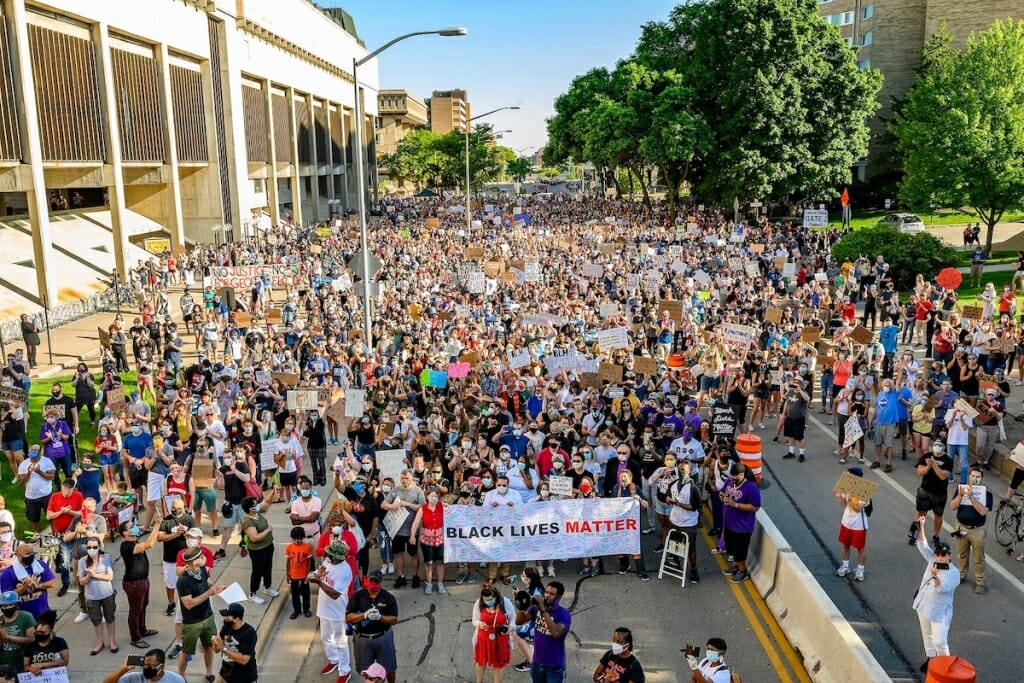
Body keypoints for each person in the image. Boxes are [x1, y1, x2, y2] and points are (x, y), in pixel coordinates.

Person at [912, 522, 959, 674]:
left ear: (949, 555)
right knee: (927, 635)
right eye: (938, 554)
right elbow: (922, 545)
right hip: (923, 605)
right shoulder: (933, 560)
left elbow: (942, 589)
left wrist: (934, 576)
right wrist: (921, 527)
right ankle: (931, 659)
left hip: (940, 612)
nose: (939, 557)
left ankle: (945, 667)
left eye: (943, 555)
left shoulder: (954, 573)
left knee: (940, 641)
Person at [176, 545, 226, 681]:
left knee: (209, 647)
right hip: (192, 623)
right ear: (194, 562)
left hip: (208, 617)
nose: (204, 558)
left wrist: (215, 587)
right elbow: (189, 604)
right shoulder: (183, 580)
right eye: (201, 557)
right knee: (186, 652)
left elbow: (208, 582)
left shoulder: (202, 569)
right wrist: (209, 593)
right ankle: (180, 676)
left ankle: (209, 672)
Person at [311, 541, 355, 682]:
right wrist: (315, 575)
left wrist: (318, 582)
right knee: (325, 637)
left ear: (337, 557)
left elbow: (335, 594)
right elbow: (320, 573)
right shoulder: (327, 562)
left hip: (338, 612)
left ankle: (345, 670)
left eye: (330, 554)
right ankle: (333, 660)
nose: (328, 556)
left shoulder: (345, 570)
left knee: (341, 642)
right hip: (324, 609)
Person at [346, 569, 399, 683]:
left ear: (381, 583)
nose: (374, 584)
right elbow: (348, 617)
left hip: (383, 637)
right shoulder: (357, 596)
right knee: (366, 670)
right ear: (366, 581)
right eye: (371, 581)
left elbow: (394, 619)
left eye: (376, 582)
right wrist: (364, 615)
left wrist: (380, 617)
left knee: (389, 667)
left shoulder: (388, 597)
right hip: (362, 639)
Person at [514, 581, 570, 683]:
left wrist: (543, 609)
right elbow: (519, 621)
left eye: (552, 594)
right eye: (546, 592)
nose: (547, 595)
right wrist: (521, 607)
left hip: (554, 665)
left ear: (559, 597)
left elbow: (556, 633)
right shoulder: (535, 609)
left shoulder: (564, 614)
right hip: (537, 661)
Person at [118, 520, 161, 649]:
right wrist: (157, 526)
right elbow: (149, 544)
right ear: (124, 533)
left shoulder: (134, 541)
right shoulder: (128, 546)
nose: (135, 527)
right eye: (132, 527)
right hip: (134, 583)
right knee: (135, 610)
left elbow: (146, 535)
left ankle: (142, 629)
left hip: (143, 580)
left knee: (143, 605)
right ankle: (135, 637)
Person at [949, 466, 992, 595]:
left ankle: (980, 582)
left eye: (978, 477)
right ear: (969, 477)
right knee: (962, 555)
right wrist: (961, 496)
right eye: (973, 476)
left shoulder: (987, 494)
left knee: (978, 558)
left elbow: (983, 511)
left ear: (982, 479)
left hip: (977, 531)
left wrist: (972, 498)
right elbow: (952, 506)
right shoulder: (960, 490)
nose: (975, 479)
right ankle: (962, 575)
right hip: (961, 527)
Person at [380, 469, 425, 589]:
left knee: (413, 554)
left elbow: (423, 507)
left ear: (412, 478)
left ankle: (415, 576)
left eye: (407, 478)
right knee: (398, 554)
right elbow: (383, 505)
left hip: (412, 530)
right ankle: (401, 576)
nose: (404, 480)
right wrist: (392, 506)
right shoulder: (395, 490)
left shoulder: (417, 491)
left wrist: (407, 504)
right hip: (397, 530)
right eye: (402, 478)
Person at [719, 463, 761, 584]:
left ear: (741, 475)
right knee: (731, 549)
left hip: (742, 527)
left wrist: (736, 504)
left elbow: (755, 507)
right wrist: (722, 497)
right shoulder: (729, 482)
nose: (731, 480)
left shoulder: (751, 487)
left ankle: (742, 572)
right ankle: (736, 567)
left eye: (734, 477)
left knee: (740, 552)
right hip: (729, 524)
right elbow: (722, 492)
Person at [78, 536, 118, 655]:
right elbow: (81, 581)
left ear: (99, 547)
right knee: (96, 621)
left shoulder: (106, 558)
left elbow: (110, 577)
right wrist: (89, 576)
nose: (91, 549)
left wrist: (94, 575)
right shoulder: (82, 561)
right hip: (91, 597)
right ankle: (100, 642)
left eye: (94, 547)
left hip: (107, 594)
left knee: (110, 618)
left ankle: (112, 641)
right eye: (89, 547)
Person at [0, 542, 57, 620]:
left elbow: (53, 583)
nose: (31, 556)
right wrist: (24, 587)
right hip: (21, 618)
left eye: (32, 553)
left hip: (42, 613)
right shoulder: (8, 573)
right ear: (18, 556)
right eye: (27, 554)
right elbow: (7, 597)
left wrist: (38, 586)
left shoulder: (40, 565)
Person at [158, 499, 193, 617]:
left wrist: (187, 534)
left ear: (184, 507)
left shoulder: (188, 519)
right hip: (170, 558)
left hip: (185, 559)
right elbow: (159, 537)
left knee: (187, 582)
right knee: (170, 583)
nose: (176, 510)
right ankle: (171, 603)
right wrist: (175, 535)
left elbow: (197, 535)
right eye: (174, 508)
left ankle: (186, 602)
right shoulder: (166, 520)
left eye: (179, 508)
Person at [473, 584, 515, 683]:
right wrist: (479, 624)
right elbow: (474, 620)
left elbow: (513, 618)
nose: (488, 602)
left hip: (500, 639)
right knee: (481, 662)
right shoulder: (479, 603)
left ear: (496, 596)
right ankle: (479, 681)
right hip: (484, 639)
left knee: (498, 663)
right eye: (485, 600)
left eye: (490, 599)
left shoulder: (505, 603)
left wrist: (511, 628)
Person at [408, 485, 446, 594]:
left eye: (436, 496)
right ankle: (428, 583)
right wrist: (412, 536)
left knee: (439, 562)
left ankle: (440, 583)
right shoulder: (422, 508)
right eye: (432, 496)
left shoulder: (442, 506)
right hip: (426, 540)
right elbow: (415, 523)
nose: (434, 498)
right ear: (427, 497)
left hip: (440, 539)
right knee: (428, 562)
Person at [239, 496, 278, 604]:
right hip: (258, 550)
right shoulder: (248, 521)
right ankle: (252, 593)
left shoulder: (257, 513)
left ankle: (267, 587)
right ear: (250, 509)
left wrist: (274, 492)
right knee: (257, 571)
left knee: (267, 567)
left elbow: (266, 503)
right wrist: (268, 530)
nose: (257, 505)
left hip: (268, 546)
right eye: (255, 504)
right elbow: (254, 538)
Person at [835, 466, 870, 582]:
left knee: (860, 548)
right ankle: (845, 566)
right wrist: (841, 497)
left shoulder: (864, 491)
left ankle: (860, 570)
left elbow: (858, 508)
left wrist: (849, 499)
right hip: (846, 522)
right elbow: (842, 504)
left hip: (859, 526)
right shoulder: (847, 487)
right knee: (845, 545)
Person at [913, 442, 952, 548]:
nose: (937, 447)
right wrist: (928, 467)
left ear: (943, 447)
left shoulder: (948, 460)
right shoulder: (925, 456)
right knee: (921, 513)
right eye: (935, 444)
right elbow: (920, 472)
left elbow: (943, 476)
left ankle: (935, 535)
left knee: (938, 516)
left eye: (940, 445)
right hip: (925, 490)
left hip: (940, 493)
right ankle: (916, 533)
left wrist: (933, 464)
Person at [213, 602, 258, 683]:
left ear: (237, 619)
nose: (225, 618)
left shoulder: (249, 633)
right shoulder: (227, 627)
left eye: (227, 616)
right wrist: (215, 641)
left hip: (243, 677)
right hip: (224, 674)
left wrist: (223, 648)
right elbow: (216, 650)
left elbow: (244, 660)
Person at [17, 446, 55, 533]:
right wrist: (28, 473)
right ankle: (37, 534)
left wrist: (39, 472)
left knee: (51, 516)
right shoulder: (24, 464)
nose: (33, 451)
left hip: (46, 495)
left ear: (40, 452)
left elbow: (51, 477)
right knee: (34, 518)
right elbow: (21, 482)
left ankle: (55, 533)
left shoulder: (47, 461)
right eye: (31, 449)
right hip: (31, 496)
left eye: (35, 450)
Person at [22, 609, 67, 675]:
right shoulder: (30, 646)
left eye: (43, 632)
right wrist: (31, 668)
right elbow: (26, 666)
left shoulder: (59, 642)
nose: (40, 634)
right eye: (37, 632)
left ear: (51, 631)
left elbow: (65, 661)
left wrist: (43, 664)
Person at [103, 649, 187, 683]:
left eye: (150, 665)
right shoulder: (135, 678)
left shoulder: (176, 680)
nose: (146, 668)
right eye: (144, 665)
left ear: (161, 666)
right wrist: (123, 669)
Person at [0, 590, 35, 670]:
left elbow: (31, 639)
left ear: (16, 605)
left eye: (11, 605)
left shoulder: (26, 617)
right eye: (4, 606)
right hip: (2, 663)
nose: (8, 608)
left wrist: (8, 637)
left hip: (22, 663)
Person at [285, 525, 314, 619]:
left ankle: (306, 609)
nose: (298, 540)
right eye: (295, 538)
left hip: (303, 574)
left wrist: (307, 574)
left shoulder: (307, 547)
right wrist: (288, 574)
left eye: (300, 538)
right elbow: (288, 561)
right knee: (295, 594)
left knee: (306, 593)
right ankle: (296, 610)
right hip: (293, 575)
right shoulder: (289, 547)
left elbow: (309, 561)